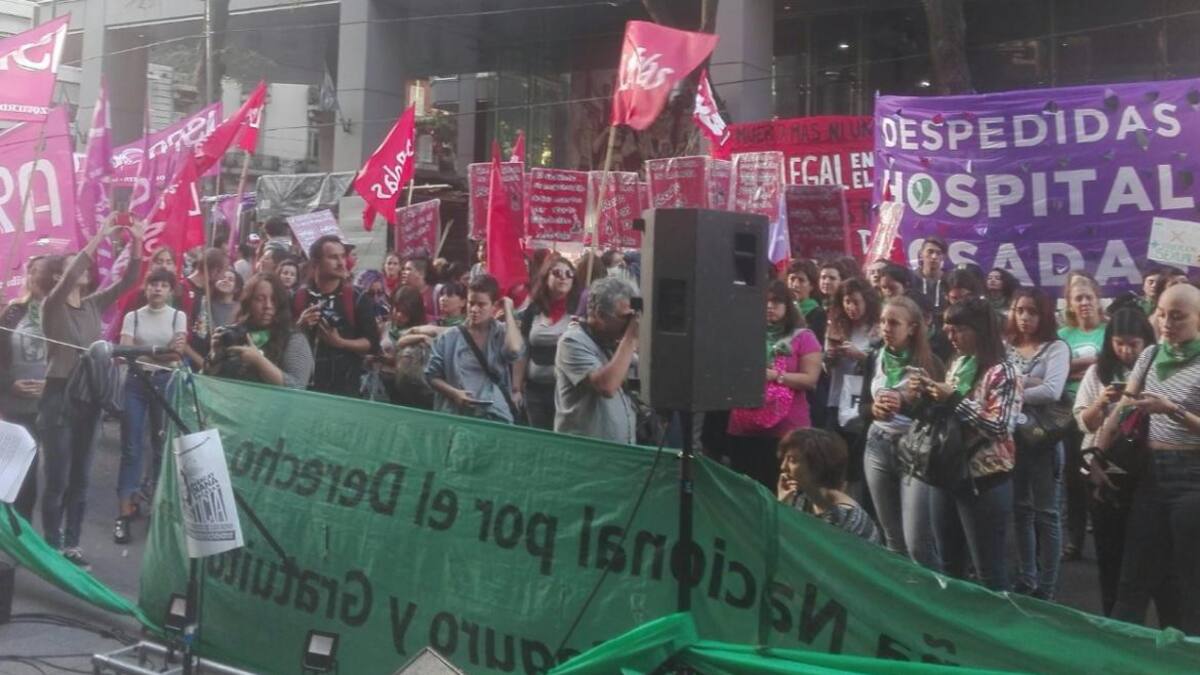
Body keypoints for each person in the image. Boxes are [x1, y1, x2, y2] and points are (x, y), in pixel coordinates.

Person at [1093, 284, 1200, 633]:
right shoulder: (1151, 355)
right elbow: (1122, 409)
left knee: (1189, 583)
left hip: (1192, 478)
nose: (1167, 323)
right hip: (1150, 475)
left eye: (1178, 316)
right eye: (1162, 314)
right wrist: (1096, 455)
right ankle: (1122, 658)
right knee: (1134, 576)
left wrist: (1174, 412)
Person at [40, 221, 143, 568]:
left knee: (81, 478)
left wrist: (137, 242)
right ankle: (50, 544)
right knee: (58, 478)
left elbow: (129, 283)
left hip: (91, 399)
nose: (80, 271)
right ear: (58, 277)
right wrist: (98, 235)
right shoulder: (52, 306)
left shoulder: (93, 305)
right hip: (59, 397)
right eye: (70, 266)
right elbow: (70, 277)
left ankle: (72, 543)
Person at [914, 297, 1022, 591]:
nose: (951, 337)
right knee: (949, 566)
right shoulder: (958, 363)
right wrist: (928, 394)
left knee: (989, 570)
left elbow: (1000, 427)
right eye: (947, 330)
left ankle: (996, 631)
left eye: (958, 330)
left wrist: (953, 399)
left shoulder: (1004, 371)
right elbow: (948, 415)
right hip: (948, 471)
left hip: (985, 477)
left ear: (979, 330)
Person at [1074, 307, 1164, 618]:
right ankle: (1110, 615)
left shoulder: (1156, 370)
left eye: (1133, 344)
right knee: (1108, 552)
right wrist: (1101, 403)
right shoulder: (1097, 373)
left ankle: (1136, 618)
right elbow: (1084, 424)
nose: (1125, 351)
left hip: (1143, 471)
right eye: (1119, 343)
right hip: (1102, 467)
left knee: (1143, 558)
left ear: (1146, 343)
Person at [862, 296, 944, 565]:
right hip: (878, 443)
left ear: (912, 328)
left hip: (915, 449)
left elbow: (940, 416)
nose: (886, 327)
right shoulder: (875, 356)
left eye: (894, 323)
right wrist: (874, 410)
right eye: (884, 321)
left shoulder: (931, 363)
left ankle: (932, 597)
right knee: (892, 539)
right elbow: (862, 404)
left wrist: (908, 404)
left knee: (918, 542)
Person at [1005, 287, 1071, 600]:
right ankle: (1027, 577)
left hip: (1044, 441)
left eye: (1032, 311)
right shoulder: (1007, 346)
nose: (1025, 318)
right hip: (1012, 440)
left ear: (1043, 314)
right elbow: (996, 382)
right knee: (1020, 510)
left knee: (1047, 513)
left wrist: (1015, 390)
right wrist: (1028, 384)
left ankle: (1047, 586)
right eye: (1020, 311)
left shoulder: (1056, 348)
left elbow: (1052, 391)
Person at [725, 281, 824, 489]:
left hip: (786, 430)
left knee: (782, 489)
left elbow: (810, 379)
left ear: (788, 306)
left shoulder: (803, 337)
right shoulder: (745, 334)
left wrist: (775, 376)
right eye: (765, 302)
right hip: (745, 427)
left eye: (776, 302)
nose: (770, 306)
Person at [114, 268, 187, 544]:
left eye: (163, 285)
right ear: (146, 288)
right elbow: (124, 352)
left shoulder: (178, 316)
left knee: (160, 447)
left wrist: (144, 352)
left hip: (165, 383)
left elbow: (176, 354)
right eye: (153, 284)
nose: (157, 289)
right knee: (131, 447)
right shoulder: (133, 317)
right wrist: (160, 351)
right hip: (136, 382)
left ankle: (157, 507)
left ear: (170, 290)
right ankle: (123, 513)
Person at [425, 275, 524, 423]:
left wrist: (508, 310)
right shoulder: (449, 337)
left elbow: (515, 350)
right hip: (457, 414)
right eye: (471, 303)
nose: (475, 309)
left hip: (494, 414)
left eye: (482, 304)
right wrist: (454, 393)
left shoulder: (501, 333)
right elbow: (431, 375)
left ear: (494, 306)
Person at [1059, 272, 1108, 561]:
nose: (1084, 302)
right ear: (1070, 303)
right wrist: (1092, 363)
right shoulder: (1064, 335)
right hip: (1069, 415)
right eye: (1078, 298)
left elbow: (1110, 367)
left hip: (1102, 415)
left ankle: (1104, 539)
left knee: (1100, 478)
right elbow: (1057, 370)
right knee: (1073, 480)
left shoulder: (1108, 331)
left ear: (1098, 299)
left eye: (1089, 296)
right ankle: (1075, 541)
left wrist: (1074, 367)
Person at [554, 277, 638, 444]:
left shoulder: (612, 341)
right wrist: (631, 336)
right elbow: (606, 386)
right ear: (599, 314)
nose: (629, 324)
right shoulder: (572, 341)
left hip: (619, 451)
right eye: (625, 318)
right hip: (586, 453)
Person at [293, 235, 380, 396]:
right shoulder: (298, 297)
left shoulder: (357, 298)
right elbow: (280, 338)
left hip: (344, 391)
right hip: (301, 389)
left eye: (343, 256)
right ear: (315, 262)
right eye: (333, 257)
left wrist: (340, 342)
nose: (341, 263)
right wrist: (299, 326)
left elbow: (372, 343)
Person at [0, 257, 50, 521]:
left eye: (40, 272)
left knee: (47, 477)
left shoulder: (59, 312)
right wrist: (10, 385)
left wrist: (51, 384)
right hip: (16, 405)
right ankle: (14, 535)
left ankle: (38, 539)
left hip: (50, 405)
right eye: (30, 271)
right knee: (17, 474)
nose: (33, 276)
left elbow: (71, 358)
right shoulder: (12, 312)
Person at [777, 428, 882, 544]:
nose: (783, 467)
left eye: (792, 460)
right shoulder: (800, 499)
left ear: (816, 466)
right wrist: (782, 503)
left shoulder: (844, 518)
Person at [208, 274, 313, 388]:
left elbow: (297, 386)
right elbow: (210, 380)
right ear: (248, 303)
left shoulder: (294, 339)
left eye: (273, 300)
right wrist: (214, 355)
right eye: (260, 299)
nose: (268, 306)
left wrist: (259, 361)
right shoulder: (236, 333)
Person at [515, 255, 582, 430]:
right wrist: (516, 388)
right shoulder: (533, 310)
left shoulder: (579, 312)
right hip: (535, 391)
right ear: (546, 277)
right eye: (557, 272)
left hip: (567, 392)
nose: (563, 277)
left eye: (569, 274)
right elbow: (523, 350)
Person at [379, 286, 434, 409]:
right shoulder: (385, 327)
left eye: (404, 313)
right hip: (382, 387)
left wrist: (394, 359)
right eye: (396, 309)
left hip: (409, 392)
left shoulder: (422, 332)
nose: (399, 315)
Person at [180, 248, 230, 367]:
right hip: (188, 362)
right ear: (214, 271)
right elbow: (180, 337)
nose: (224, 276)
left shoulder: (209, 290)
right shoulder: (184, 291)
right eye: (224, 271)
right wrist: (202, 363)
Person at [786, 259, 826, 344]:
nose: (795, 285)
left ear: (811, 286)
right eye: (792, 279)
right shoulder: (781, 308)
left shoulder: (818, 313)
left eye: (801, 280)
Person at [913, 235, 949, 312]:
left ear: (944, 257)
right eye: (930, 252)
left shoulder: (950, 281)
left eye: (938, 253)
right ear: (921, 254)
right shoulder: (910, 278)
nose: (934, 256)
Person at [403, 256, 438, 322]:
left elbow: (445, 318)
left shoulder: (436, 292)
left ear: (421, 273)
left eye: (408, 269)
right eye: (404, 269)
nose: (404, 272)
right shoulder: (404, 293)